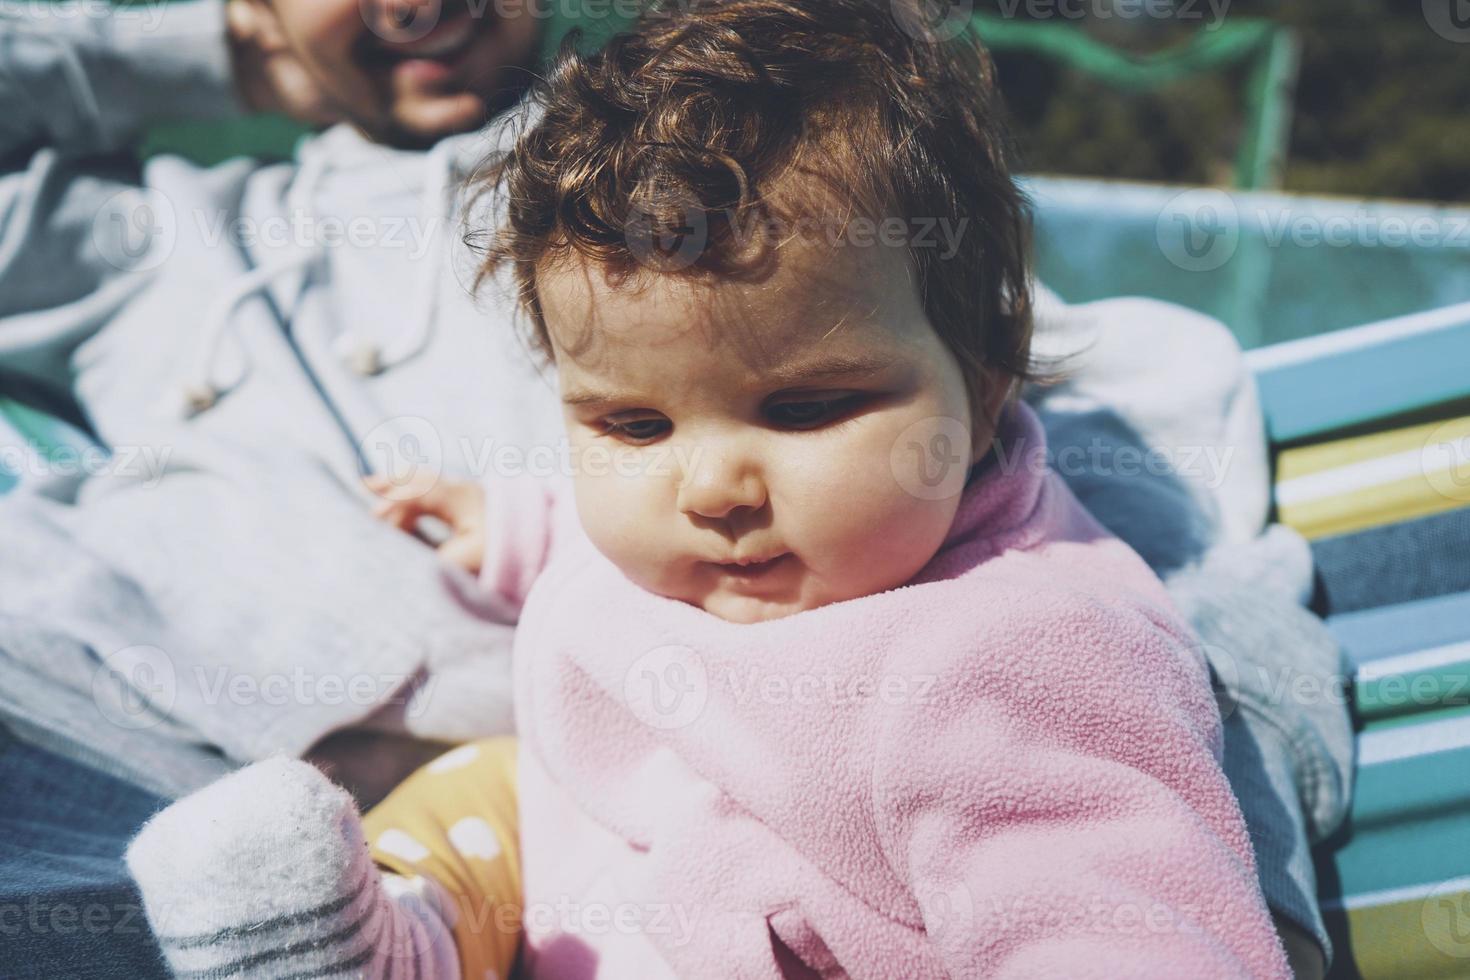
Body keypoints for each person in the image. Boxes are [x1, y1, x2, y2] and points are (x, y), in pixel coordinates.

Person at [0, 1, 1348, 976]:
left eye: (805, 408)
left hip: (620, 815)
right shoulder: (171, 241)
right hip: (262, 750)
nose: (710, 483)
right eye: (629, 421)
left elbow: (1103, 908)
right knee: (459, 812)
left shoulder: (738, 174)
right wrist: (208, 47)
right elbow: (592, 534)